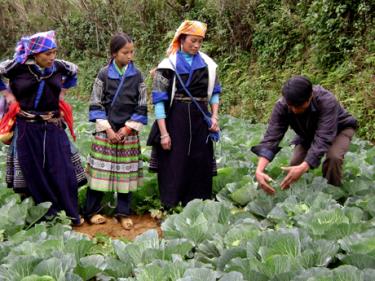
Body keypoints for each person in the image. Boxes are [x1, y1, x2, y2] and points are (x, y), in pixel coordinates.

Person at [0, 31, 84, 225]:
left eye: (54, 52)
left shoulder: (59, 66)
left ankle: (71, 214)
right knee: (34, 171)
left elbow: (73, 73)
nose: (52, 57)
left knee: (63, 169)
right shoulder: (17, 67)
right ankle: (46, 215)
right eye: (47, 53)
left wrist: (61, 94)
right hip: (27, 128)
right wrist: (8, 96)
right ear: (35, 54)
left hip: (52, 125)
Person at [147, 20, 222, 208]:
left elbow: (214, 94)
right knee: (174, 161)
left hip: (200, 119)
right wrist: (164, 133)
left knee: (200, 160)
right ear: (181, 39)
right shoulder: (166, 66)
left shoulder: (209, 65)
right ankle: (171, 203)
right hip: (175, 118)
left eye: (199, 42)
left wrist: (214, 117)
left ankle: (199, 202)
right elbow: (159, 101)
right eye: (192, 41)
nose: (196, 46)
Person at [251, 75, 357, 194]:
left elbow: (323, 138)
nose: (295, 110)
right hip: (307, 133)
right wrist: (259, 170)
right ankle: (295, 197)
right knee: (295, 163)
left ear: (310, 96)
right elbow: (272, 136)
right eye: (291, 106)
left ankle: (332, 194)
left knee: (334, 157)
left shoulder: (326, 101)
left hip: (340, 128)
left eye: (299, 106)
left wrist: (305, 166)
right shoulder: (282, 105)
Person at [84, 33, 147, 229]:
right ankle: (91, 211)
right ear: (114, 54)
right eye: (125, 52)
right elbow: (95, 103)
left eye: (132, 52)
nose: (130, 56)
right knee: (99, 175)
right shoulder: (103, 75)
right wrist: (109, 130)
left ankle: (123, 212)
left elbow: (142, 105)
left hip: (127, 133)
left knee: (125, 176)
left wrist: (128, 129)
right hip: (106, 133)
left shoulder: (138, 76)